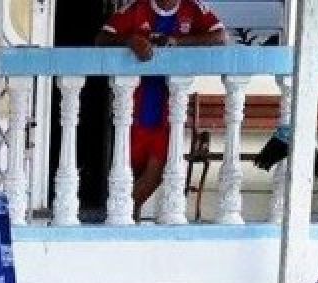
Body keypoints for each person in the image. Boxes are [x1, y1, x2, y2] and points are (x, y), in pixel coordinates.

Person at [97, 0, 227, 219]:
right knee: (128, 173)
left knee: (155, 174)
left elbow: (220, 37)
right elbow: (102, 39)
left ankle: (120, 216)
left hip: (169, 113)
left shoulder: (193, 8)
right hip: (133, 108)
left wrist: (177, 41)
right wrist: (130, 40)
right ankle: (127, 224)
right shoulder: (136, 8)